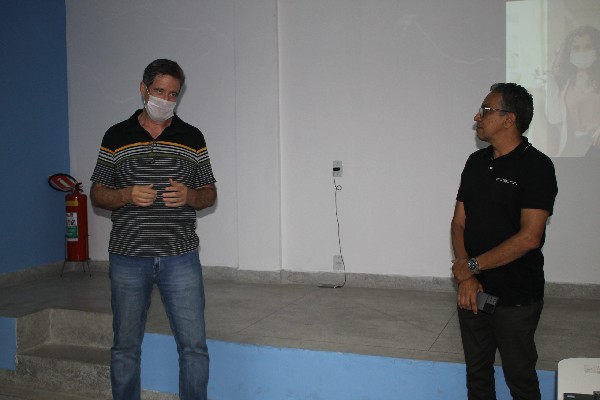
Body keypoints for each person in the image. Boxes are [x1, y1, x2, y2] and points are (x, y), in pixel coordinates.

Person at [90, 59, 217, 400]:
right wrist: (125, 195)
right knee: (125, 347)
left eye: (173, 94)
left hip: (180, 258)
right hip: (128, 258)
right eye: (159, 91)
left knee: (194, 347)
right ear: (143, 89)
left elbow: (209, 193)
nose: (165, 99)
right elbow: (97, 194)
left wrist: (191, 196)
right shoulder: (116, 136)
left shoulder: (192, 137)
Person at [451, 83, 558, 400]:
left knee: (519, 376)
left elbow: (529, 238)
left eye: (485, 110)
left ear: (509, 119)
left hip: (516, 296)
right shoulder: (475, 162)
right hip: (474, 291)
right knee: (477, 375)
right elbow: (459, 222)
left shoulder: (537, 167)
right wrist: (468, 277)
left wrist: (471, 266)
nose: (477, 117)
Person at [545, 25, 600, 157]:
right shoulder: (565, 82)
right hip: (573, 148)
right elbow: (554, 119)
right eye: (576, 48)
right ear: (570, 52)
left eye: (588, 47)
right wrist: (551, 81)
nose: (582, 52)